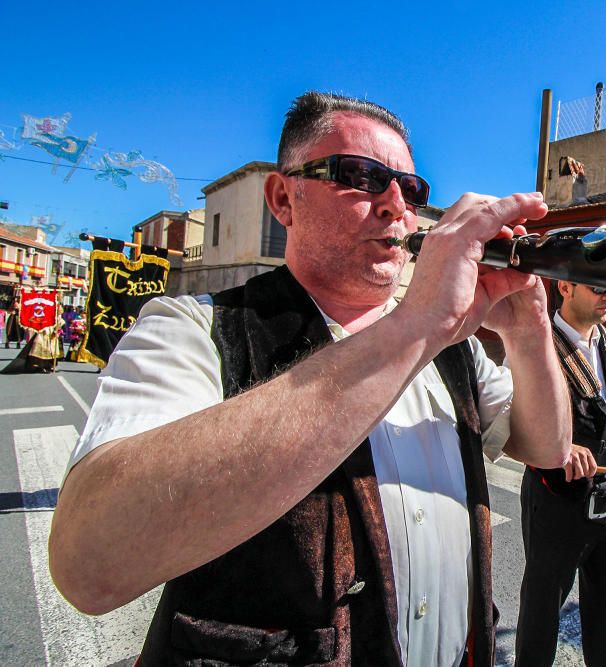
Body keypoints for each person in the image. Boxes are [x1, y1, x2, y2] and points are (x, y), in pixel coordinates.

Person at [49, 92, 571, 667]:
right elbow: (90, 564)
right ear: (283, 198)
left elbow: (549, 449)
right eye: (361, 176)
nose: (397, 205)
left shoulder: (453, 348)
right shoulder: (195, 326)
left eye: (412, 188)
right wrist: (416, 325)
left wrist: (529, 330)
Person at [514, 280, 606, 667]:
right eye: (598, 288)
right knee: (543, 612)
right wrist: (558, 447)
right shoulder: (537, 342)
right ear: (565, 286)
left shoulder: (603, 338)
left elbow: (597, 404)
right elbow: (513, 419)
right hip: (558, 501)